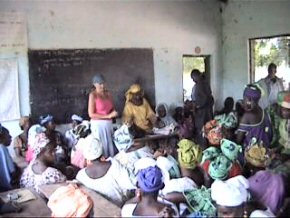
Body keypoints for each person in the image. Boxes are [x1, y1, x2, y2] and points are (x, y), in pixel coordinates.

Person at [76, 136, 135, 207]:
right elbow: (130, 184)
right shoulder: (114, 166)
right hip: (117, 208)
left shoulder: (80, 176)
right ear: (101, 150)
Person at [211, 175, 275, 217]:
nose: (223, 217)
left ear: (244, 206)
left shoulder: (260, 216)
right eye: (219, 213)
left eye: (226, 213)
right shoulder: (242, 213)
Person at [88, 73, 118, 158]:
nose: (102, 86)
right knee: (102, 147)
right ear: (94, 84)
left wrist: (113, 113)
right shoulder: (93, 95)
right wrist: (108, 116)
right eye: (100, 84)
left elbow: (110, 108)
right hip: (98, 126)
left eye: (103, 83)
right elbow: (91, 114)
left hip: (108, 125)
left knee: (110, 147)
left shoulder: (108, 94)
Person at [236, 84, 273, 149]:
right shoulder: (263, 111)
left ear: (248, 100)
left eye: (244, 98)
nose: (243, 101)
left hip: (252, 153)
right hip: (265, 148)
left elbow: (239, 140)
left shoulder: (247, 116)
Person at [190, 69, 214, 147]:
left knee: (202, 130)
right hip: (208, 111)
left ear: (196, 76)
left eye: (193, 77)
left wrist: (196, 107)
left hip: (202, 113)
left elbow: (204, 99)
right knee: (209, 129)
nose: (193, 80)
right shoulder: (206, 84)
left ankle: (203, 147)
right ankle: (209, 145)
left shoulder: (199, 86)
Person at [0, 124, 20, 192]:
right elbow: (12, 171)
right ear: (1, 138)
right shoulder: (2, 148)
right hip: (6, 188)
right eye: (7, 135)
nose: (10, 136)